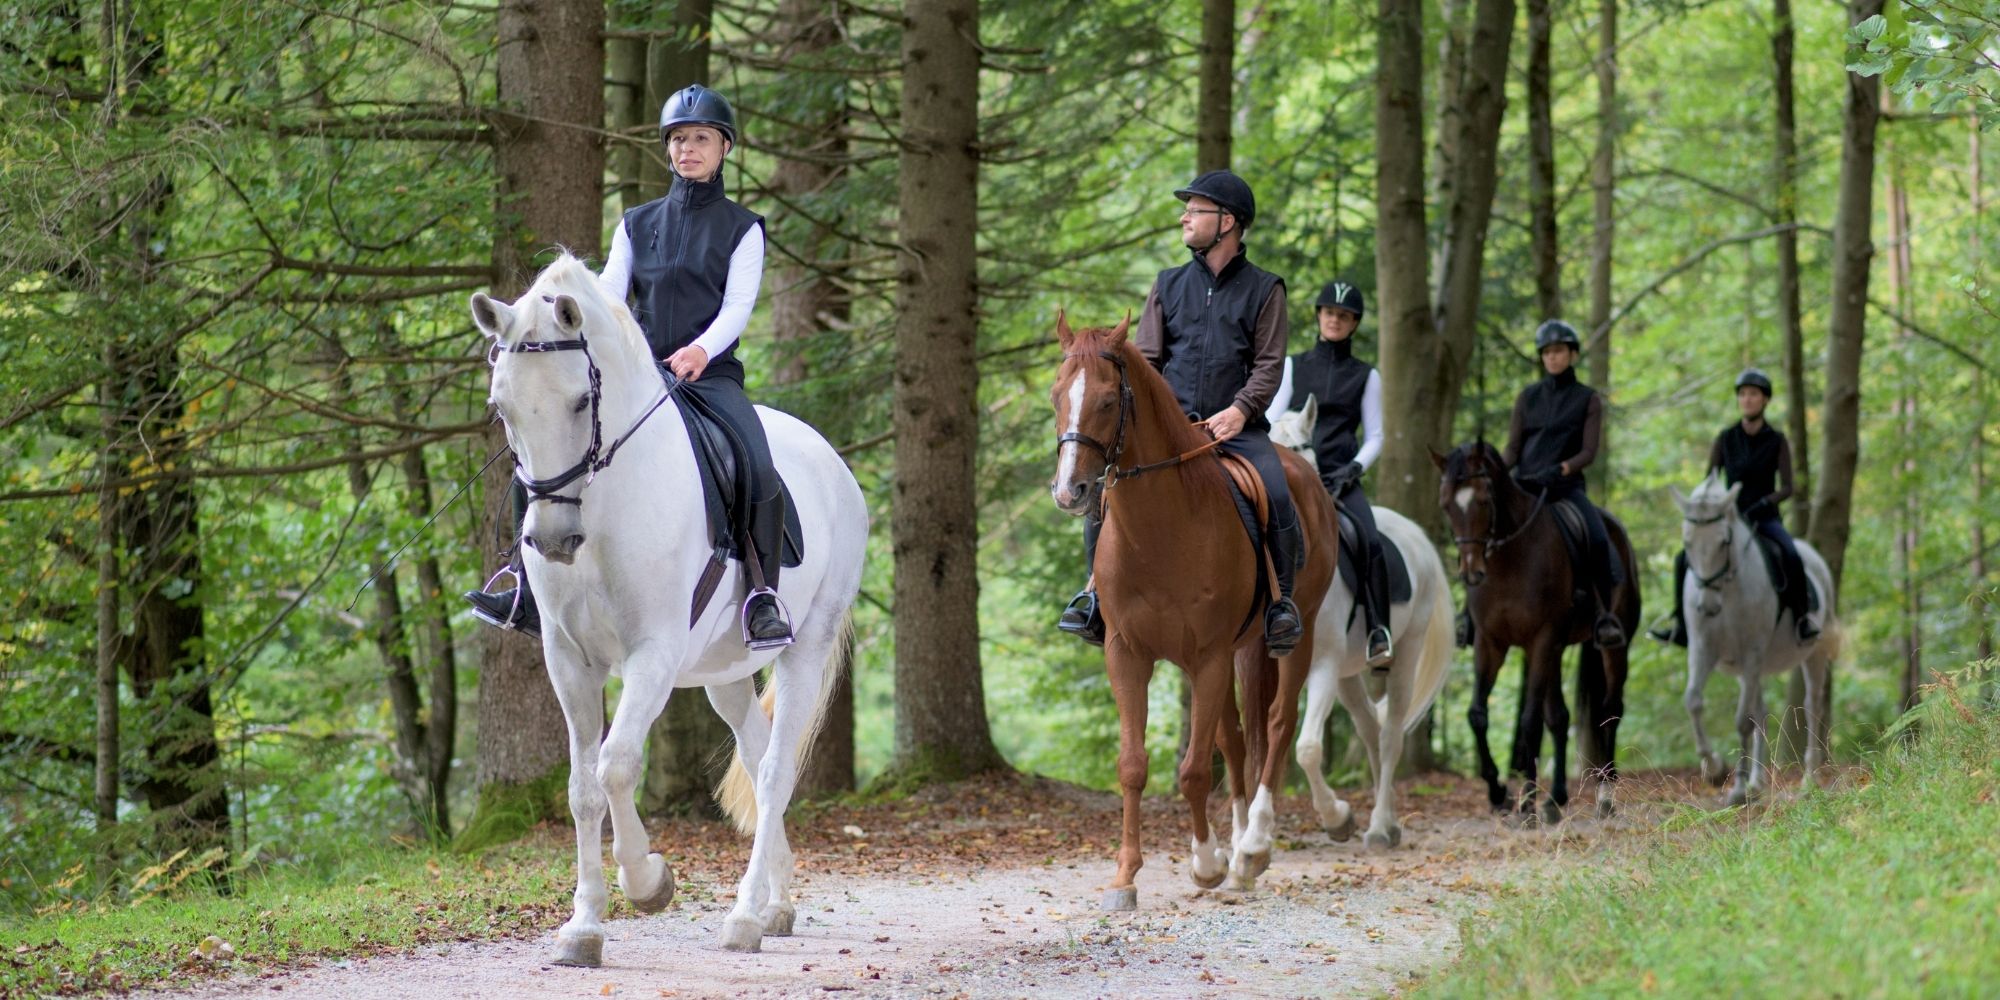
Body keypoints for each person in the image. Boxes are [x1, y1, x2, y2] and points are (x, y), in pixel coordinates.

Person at [467, 84, 795, 650]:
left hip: (709, 376)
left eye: (700, 139)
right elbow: (610, 300)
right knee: (541, 450)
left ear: (723, 148)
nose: (687, 148)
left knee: (757, 465)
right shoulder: (636, 224)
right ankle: (522, 584)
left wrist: (701, 351)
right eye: (678, 139)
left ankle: (762, 595)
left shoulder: (743, 229)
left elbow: (739, 306)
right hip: (641, 379)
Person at [1056, 169, 1306, 655]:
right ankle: (1092, 597)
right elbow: (1147, 362)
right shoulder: (1168, 285)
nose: (1183, 217)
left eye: (1194, 210)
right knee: (1106, 493)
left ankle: (1281, 604)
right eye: (1186, 210)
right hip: (1172, 433)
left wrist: (1240, 410)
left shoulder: (1265, 289)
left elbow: (1269, 364)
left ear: (1226, 221)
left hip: (1235, 429)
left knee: (1276, 491)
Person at [1267, 280, 1392, 667]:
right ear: (1319, 316)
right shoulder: (1293, 365)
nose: (1335, 320)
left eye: (1343, 316)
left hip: (1340, 478)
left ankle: (1377, 630)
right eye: (1329, 313)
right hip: (1292, 471)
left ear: (1354, 324)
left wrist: (1354, 468)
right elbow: (1271, 417)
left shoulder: (1366, 375)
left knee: (1370, 541)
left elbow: (1375, 435)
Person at [1650, 368, 1820, 646]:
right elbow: (1710, 480)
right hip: (1728, 517)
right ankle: (1680, 624)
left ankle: (1802, 620)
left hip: (1764, 518)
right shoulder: (1725, 438)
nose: (1747, 399)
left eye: (1753, 394)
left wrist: (1766, 502)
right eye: (1743, 394)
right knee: (1683, 558)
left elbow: (1788, 487)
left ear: (1765, 400)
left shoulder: (1777, 441)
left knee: (1790, 553)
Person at [1500, 319, 1626, 648]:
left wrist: (1563, 469)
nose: (1553, 358)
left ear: (1572, 354)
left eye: (1559, 351)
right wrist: (1497, 471)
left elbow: (1589, 451)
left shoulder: (1587, 399)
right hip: (1525, 486)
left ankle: (1604, 615)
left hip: (1564, 489)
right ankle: (1469, 616)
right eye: (1547, 353)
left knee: (1598, 538)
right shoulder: (1527, 398)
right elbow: (1513, 448)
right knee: (1483, 529)